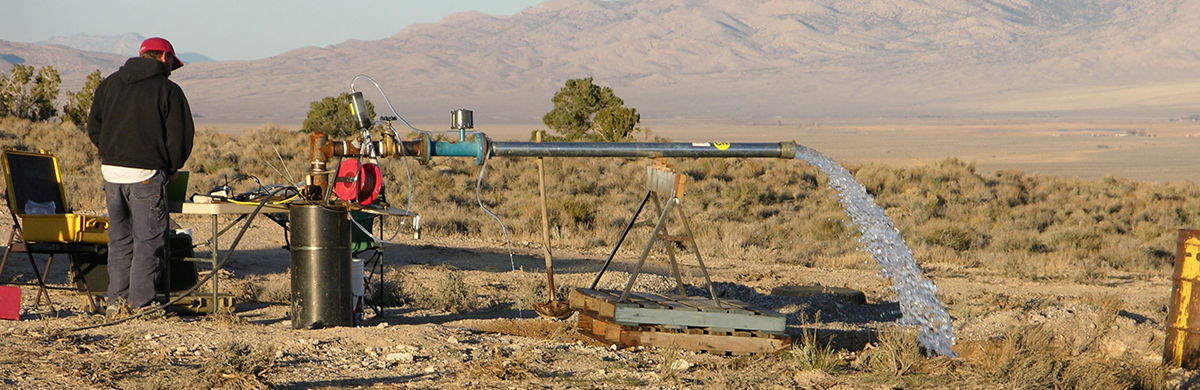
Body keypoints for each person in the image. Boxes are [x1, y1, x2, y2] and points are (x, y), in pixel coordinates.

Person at [87, 37, 194, 312]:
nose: (172, 67)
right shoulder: (168, 90)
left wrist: (111, 153)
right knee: (149, 243)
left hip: (111, 175)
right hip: (146, 176)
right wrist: (171, 166)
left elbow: (94, 128)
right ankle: (139, 307)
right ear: (164, 57)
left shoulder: (109, 84)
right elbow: (180, 138)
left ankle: (116, 304)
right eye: (172, 61)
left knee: (120, 241)